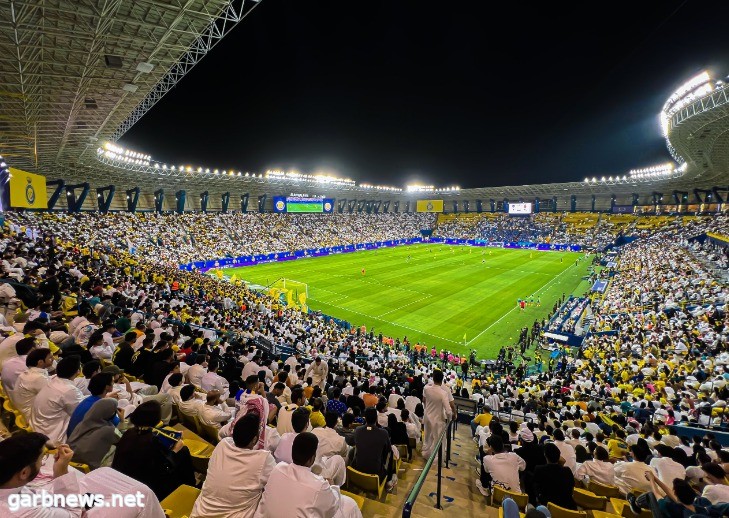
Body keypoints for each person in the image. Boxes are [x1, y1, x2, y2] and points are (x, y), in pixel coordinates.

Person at [0, 432, 165, 518]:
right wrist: (60, 471)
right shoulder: (20, 511)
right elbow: (73, 515)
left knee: (102, 473)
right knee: (141, 495)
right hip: (69, 513)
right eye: (42, 460)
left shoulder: (9, 483)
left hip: (46, 502)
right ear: (23, 472)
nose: (44, 463)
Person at [255, 432, 362, 518]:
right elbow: (332, 507)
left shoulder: (278, 468)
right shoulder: (319, 486)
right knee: (350, 504)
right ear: (312, 459)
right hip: (325, 491)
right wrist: (332, 486)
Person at [191, 413, 276, 518]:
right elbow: (277, 485)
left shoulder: (223, 444)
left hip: (200, 513)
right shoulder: (264, 459)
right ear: (254, 439)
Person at [112, 401, 195, 500]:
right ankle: (190, 486)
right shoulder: (151, 441)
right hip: (147, 486)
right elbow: (162, 469)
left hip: (125, 480)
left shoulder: (130, 433)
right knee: (183, 451)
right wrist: (175, 451)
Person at [30, 356, 84, 443]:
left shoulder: (53, 379)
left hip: (38, 426)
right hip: (51, 435)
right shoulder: (69, 390)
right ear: (78, 371)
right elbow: (80, 412)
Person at [67, 398, 120, 469]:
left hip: (69, 462)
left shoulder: (82, 423)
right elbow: (122, 439)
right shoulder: (109, 430)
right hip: (88, 468)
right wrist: (122, 421)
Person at [352, 407, 395, 490]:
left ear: (365, 418)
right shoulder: (383, 433)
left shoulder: (357, 430)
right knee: (390, 452)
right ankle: (388, 479)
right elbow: (388, 451)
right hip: (376, 471)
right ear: (376, 418)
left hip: (358, 468)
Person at [67, 372, 119, 437]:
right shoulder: (101, 405)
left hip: (73, 437)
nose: (113, 384)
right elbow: (117, 424)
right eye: (112, 382)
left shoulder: (87, 399)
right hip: (82, 441)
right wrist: (121, 417)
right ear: (107, 387)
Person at [12, 347, 53, 421]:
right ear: (40, 362)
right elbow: (51, 397)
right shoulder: (38, 378)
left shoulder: (29, 373)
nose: (53, 359)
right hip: (32, 416)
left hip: (23, 410)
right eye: (50, 358)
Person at [533, 443, 576, 510]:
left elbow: (537, 490)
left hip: (548, 509)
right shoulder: (567, 470)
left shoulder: (539, 469)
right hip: (569, 509)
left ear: (545, 455)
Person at [422, 369, 453, 458]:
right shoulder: (443, 393)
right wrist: (449, 419)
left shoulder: (426, 388)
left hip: (427, 416)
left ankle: (426, 455)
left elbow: (424, 400)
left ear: (433, 378)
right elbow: (448, 410)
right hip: (437, 419)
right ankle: (435, 460)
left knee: (427, 438)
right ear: (442, 379)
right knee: (438, 440)